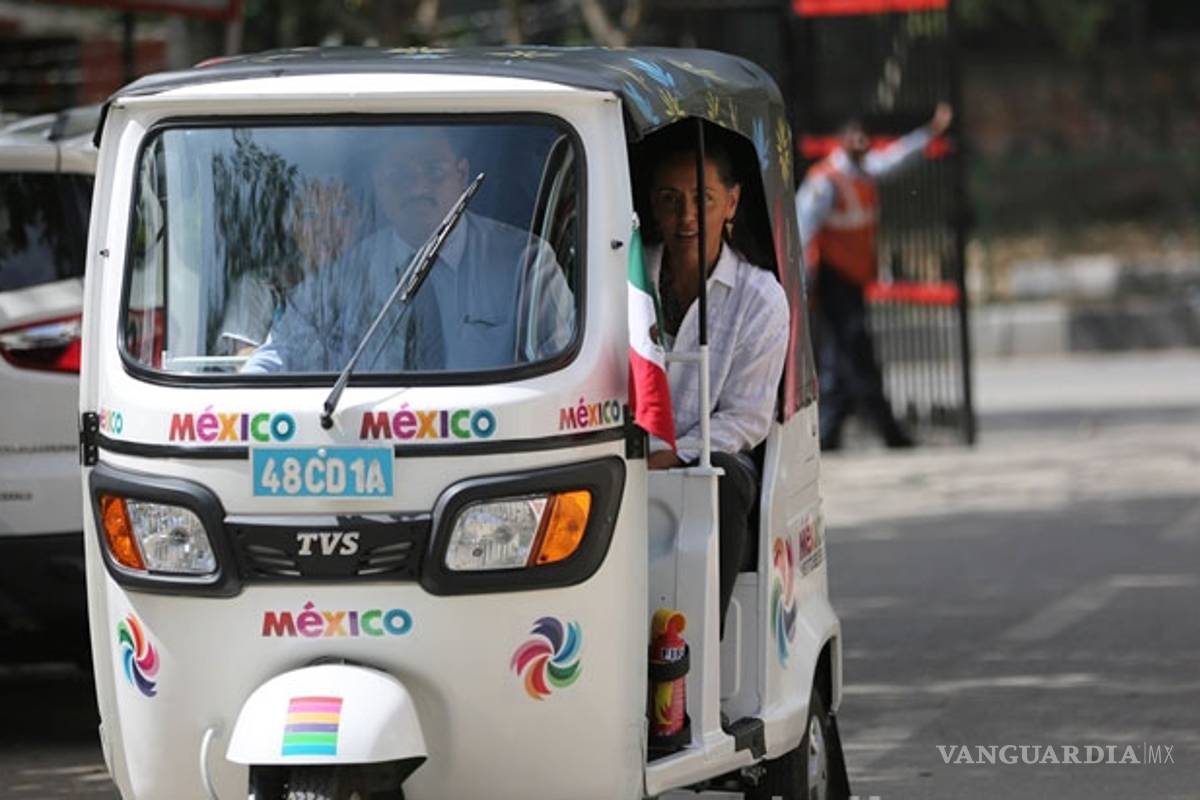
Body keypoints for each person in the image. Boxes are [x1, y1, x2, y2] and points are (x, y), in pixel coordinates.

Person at [243, 127, 575, 374]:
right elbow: (280, 355)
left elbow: (563, 369)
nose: (417, 187)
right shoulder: (348, 273)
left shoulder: (524, 262)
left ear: (462, 175)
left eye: (433, 171)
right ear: (378, 183)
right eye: (399, 174)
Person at [644, 132, 790, 635]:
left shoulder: (759, 298)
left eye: (702, 200)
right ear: (651, 205)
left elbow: (746, 419)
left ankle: (700, 652)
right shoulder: (622, 278)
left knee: (722, 478)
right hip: (628, 452)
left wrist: (674, 453)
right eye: (670, 200)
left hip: (704, 460)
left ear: (731, 202)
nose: (686, 217)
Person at [797, 102, 954, 450]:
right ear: (840, 140)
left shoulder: (863, 172)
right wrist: (803, 278)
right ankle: (880, 426)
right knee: (853, 347)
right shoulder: (826, 181)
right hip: (832, 276)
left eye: (864, 136)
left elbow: (897, 157)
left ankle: (832, 429)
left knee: (841, 353)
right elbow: (803, 228)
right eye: (853, 136)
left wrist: (930, 132)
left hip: (854, 276)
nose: (860, 142)